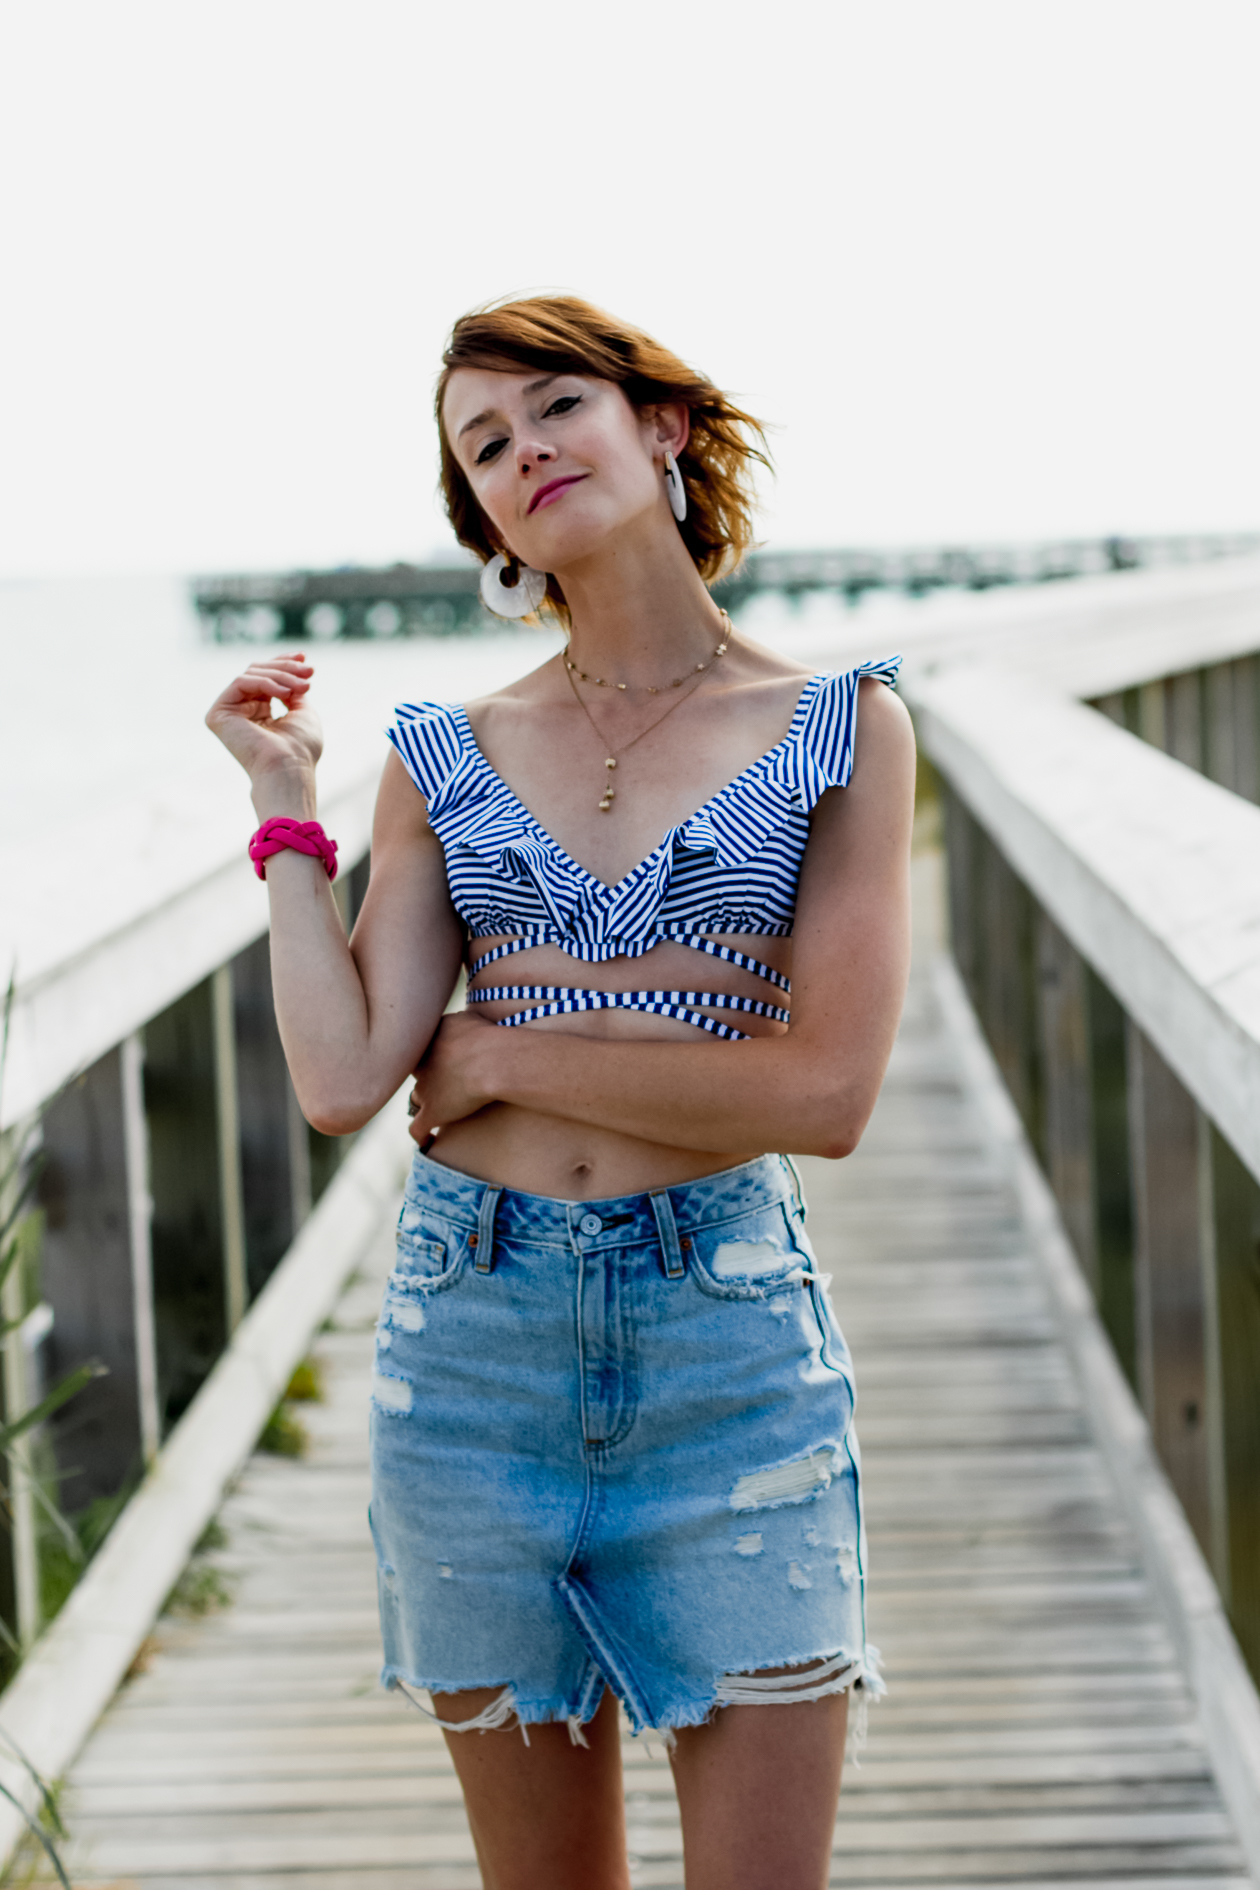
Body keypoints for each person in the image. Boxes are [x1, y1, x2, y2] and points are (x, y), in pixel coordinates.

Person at [206, 295, 915, 1890]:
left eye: (555, 406)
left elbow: (827, 1089)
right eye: (485, 444)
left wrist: (506, 1047)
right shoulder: (447, 752)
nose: (526, 450)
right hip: (471, 1352)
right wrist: (285, 818)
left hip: (729, 1352)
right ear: (485, 517)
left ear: (659, 425)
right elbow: (342, 1072)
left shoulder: (842, 728)